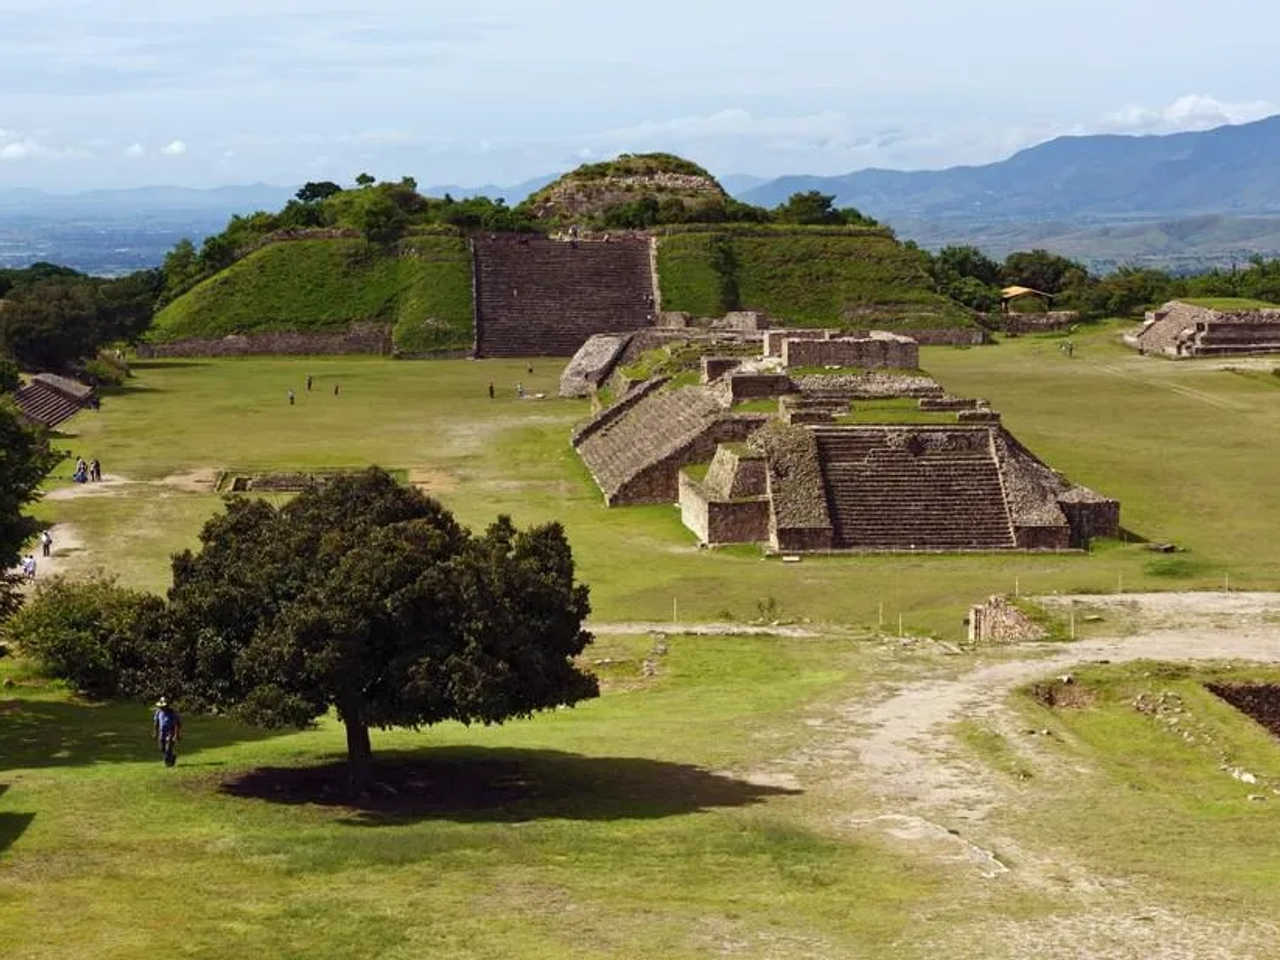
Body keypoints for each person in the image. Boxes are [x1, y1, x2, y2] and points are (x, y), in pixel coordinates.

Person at [152, 698, 182, 767]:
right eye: (160, 706)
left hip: (171, 731)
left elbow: (177, 724)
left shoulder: (172, 713)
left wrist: (176, 734)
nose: (161, 707)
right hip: (162, 731)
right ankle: (172, 756)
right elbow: (156, 722)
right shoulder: (158, 712)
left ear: (167, 705)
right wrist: (155, 732)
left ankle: (168, 762)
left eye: (163, 706)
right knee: (161, 748)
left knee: (168, 747)